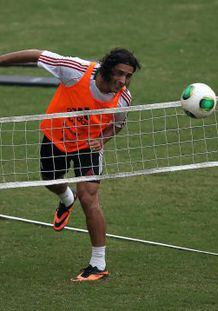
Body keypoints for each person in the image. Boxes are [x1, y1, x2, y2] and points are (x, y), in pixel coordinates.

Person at [0, 48, 140, 281]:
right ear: (106, 68)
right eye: (119, 74)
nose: (123, 81)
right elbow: (36, 54)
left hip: (89, 146)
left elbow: (117, 125)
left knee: (89, 197)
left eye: (128, 76)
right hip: (56, 138)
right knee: (50, 181)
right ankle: (66, 198)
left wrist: (102, 139)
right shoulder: (75, 71)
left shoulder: (123, 97)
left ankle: (98, 264)